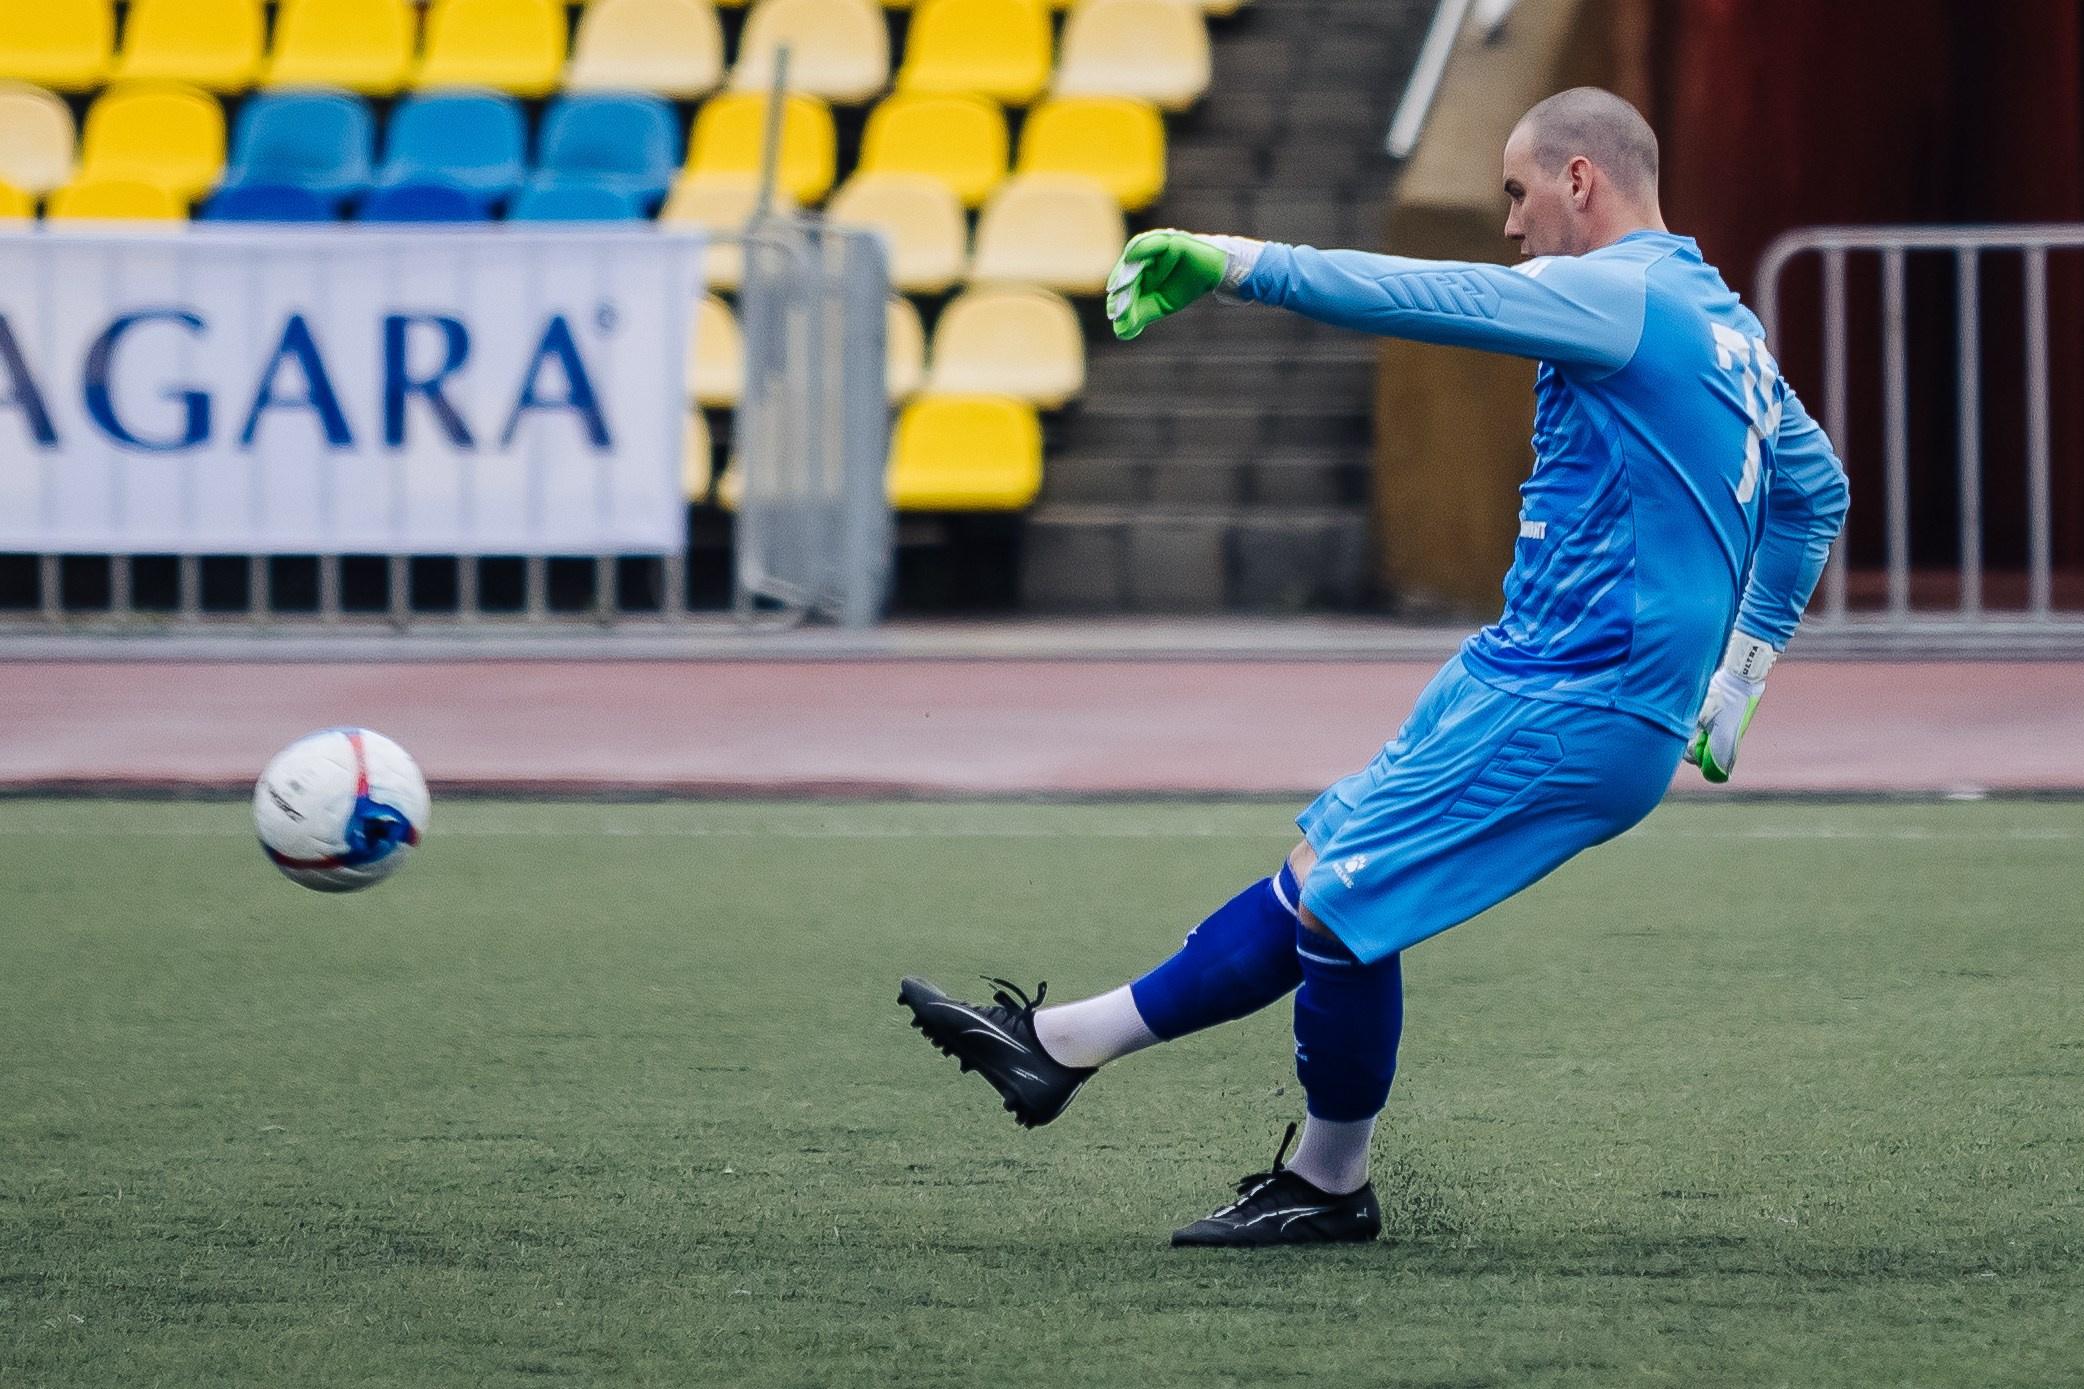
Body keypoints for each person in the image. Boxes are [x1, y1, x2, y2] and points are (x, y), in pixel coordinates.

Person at [899, 87, 1849, 1247]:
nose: (1510, 224)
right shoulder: (1722, 322)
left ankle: (1325, 1182)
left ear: (1580, 180)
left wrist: (1239, 261)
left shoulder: (1617, 295)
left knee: (1345, 903)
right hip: (1522, 671)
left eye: (1516, 194)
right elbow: (1813, 491)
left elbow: (1425, 295)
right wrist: (1738, 676)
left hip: (1578, 694)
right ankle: (1057, 1048)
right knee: (1317, 874)